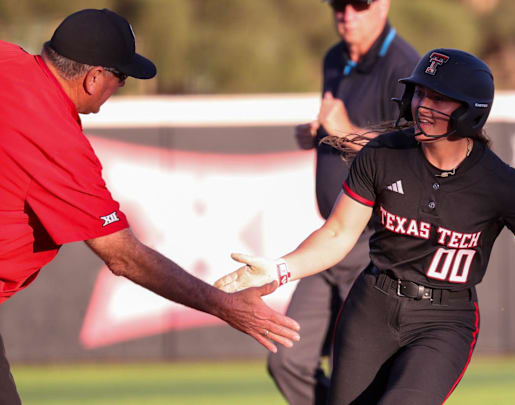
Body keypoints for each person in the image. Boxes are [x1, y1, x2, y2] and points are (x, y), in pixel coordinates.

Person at [216, 48, 515, 404]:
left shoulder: (499, 184)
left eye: (440, 98)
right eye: (422, 93)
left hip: (444, 320)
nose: (423, 105)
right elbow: (338, 234)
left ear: (471, 111)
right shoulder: (383, 154)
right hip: (372, 305)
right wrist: (280, 269)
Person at [0, 8, 300, 403]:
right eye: (120, 77)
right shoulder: (58, 141)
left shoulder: (8, 60)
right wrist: (224, 305)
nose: (120, 86)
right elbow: (124, 256)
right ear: (93, 78)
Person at [278, 0, 418, 403]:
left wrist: (345, 133)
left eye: (360, 3)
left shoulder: (404, 67)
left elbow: (415, 153)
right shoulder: (335, 58)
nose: (347, 13)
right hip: (331, 238)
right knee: (287, 360)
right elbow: (338, 130)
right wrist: (319, 134)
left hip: (376, 241)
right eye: (339, 4)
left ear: (384, 5)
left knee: (354, 373)